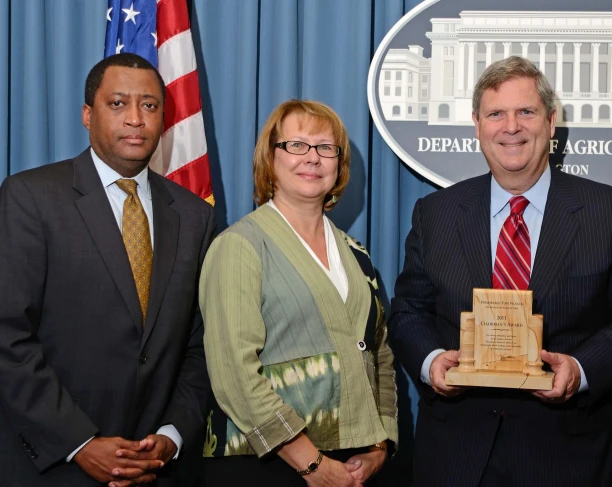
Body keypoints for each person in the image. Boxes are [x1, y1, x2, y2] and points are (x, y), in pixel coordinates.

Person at [388, 56, 612, 487]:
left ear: (551, 122)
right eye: (496, 113)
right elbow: (407, 311)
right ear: (477, 125)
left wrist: (581, 368)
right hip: (457, 453)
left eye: (526, 112)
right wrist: (430, 361)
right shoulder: (434, 214)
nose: (511, 126)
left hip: (571, 455)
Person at [0, 53, 215, 487]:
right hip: (53, 467)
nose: (136, 118)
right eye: (118, 103)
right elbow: (8, 337)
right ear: (87, 114)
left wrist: (172, 434)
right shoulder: (30, 197)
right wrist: (79, 441)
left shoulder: (195, 216)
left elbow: (201, 344)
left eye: (150, 105)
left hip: (157, 469)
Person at [199, 99, 397, 486]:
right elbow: (232, 373)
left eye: (326, 147)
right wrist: (311, 463)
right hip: (267, 464)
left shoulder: (356, 254)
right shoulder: (239, 246)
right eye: (297, 145)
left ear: (338, 164)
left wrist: (379, 442)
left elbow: (380, 354)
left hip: (353, 464)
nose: (313, 158)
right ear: (269, 159)